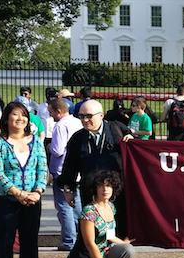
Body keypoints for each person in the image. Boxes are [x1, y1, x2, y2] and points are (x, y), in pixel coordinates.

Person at [0, 101, 48, 258]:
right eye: (15, 115)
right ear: (6, 119)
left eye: (23, 115)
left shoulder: (36, 142)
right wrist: (18, 193)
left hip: (32, 199)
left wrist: (37, 192)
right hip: (6, 200)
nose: (20, 118)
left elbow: (42, 168)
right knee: (5, 243)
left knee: (30, 241)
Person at [57, 100, 133, 238]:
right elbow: (70, 166)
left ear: (101, 115)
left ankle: (114, 257)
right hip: (90, 192)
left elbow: (137, 149)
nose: (85, 120)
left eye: (89, 116)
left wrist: (132, 139)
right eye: (81, 116)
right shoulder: (77, 138)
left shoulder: (117, 130)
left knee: (116, 233)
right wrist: (68, 188)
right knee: (93, 234)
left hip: (115, 193)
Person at [65, 170, 136, 258]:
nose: (105, 189)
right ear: (95, 188)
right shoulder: (89, 211)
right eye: (101, 186)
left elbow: (110, 236)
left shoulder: (111, 207)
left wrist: (124, 243)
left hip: (102, 256)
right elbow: (90, 244)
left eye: (108, 185)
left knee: (128, 250)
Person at [48, 98, 83, 251]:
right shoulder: (77, 122)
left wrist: (49, 146)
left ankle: (70, 240)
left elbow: (58, 150)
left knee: (64, 206)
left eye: (51, 112)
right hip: (77, 171)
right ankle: (81, 236)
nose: (51, 116)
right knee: (76, 207)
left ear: (59, 111)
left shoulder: (60, 126)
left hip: (62, 170)